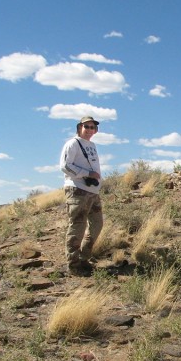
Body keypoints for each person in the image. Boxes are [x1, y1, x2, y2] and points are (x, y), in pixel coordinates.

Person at [59, 116, 104, 276]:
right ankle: (73, 265)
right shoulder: (73, 143)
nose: (90, 129)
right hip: (77, 189)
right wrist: (86, 173)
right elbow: (65, 166)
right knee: (77, 226)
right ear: (80, 127)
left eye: (93, 127)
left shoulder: (92, 145)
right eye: (87, 126)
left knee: (97, 224)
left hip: (92, 192)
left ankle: (84, 258)